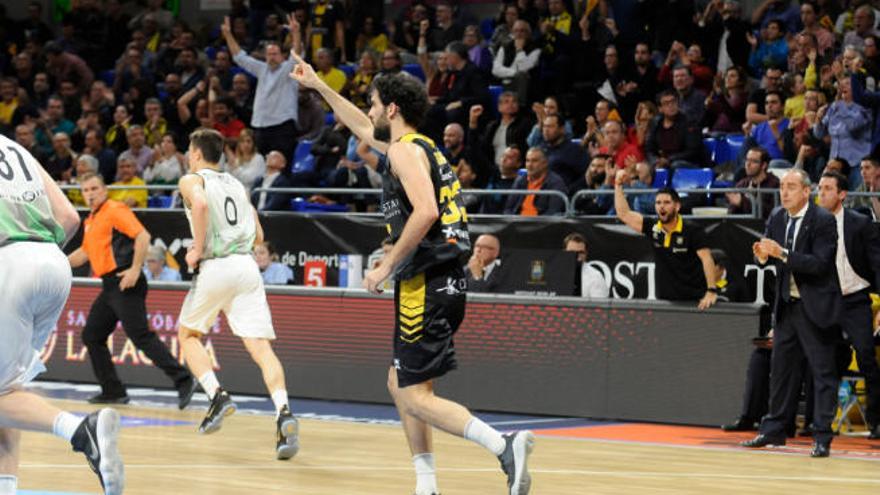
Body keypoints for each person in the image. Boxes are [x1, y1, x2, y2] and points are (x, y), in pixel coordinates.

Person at [290, 51, 535, 495]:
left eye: (373, 102)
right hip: (439, 280)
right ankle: (426, 483)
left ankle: (504, 445)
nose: (368, 111)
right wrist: (320, 87)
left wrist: (385, 264)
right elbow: (360, 127)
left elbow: (424, 213)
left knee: (414, 395)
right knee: (400, 382)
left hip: (427, 281)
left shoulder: (405, 152)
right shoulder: (419, 147)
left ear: (392, 108)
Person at [0, 134, 124, 495]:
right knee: (8, 391)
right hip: (53, 263)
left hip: (9, 264)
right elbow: (69, 218)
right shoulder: (15, 148)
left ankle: (80, 430)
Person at [176, 129, 299, 460]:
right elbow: (259, 235)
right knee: (260, 348)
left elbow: (200, 203)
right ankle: (284, 411)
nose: (189, 155)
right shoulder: (238, 185)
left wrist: (197, 249)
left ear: (198, 154)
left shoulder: (191, 180)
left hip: (216, 265)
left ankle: (216, 395)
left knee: (187, 335)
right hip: (246, 267)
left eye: (190, 150)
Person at [67, 172, 194, 405]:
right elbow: (84, 253)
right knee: (92, 335)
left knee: (140, 336)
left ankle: (184, 379)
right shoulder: (91, 220)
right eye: (85, 190)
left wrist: (136, 269)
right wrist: (58, 261)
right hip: (110, 285)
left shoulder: (114, 210)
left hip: (126, 280)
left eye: (94, 188)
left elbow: (143, 236)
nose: (90, 194)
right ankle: (113, 390)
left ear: (104, 190)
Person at [742, 169, 842, 458]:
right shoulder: (777, 216)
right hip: (787, 306)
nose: (784, 192)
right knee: (782, 371)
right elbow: (766, 254)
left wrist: (781, 254)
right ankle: (774, 431)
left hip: (817, 308)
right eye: (783, 186)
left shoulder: (823, 220)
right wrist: (761, 256)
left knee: (822, 373)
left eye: (792, 187)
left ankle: (822, 436)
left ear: (806, 191)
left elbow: (820, 264)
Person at [816, 171, 880, 439]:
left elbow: (877, 265)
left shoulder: (860, 224)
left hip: (855, 299)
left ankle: (876, 421)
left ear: (842, 194)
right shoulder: (811, 223)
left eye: (828, 188)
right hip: (826, 301)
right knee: (822, 362)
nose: (822, 193)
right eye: (819, 188)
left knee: (866, 356)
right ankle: (820, 422)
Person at [614, 169, 718, 309]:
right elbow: (623, 214)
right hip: (666, 300)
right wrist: (618, 185)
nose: (661, 206)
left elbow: (707, 259)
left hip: (694, 300)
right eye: (658, 203)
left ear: (677, 206)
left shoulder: (693, 230)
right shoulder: (653, 227)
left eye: (666, 202)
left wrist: (711, 291)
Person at [222, 15, 301, 162]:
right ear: (265, 56)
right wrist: (228, 34)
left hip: (283, 125)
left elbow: (297, 54)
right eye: (269, 54)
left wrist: (296, 33)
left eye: (275, 54)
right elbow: (239, 57)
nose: (272, 57)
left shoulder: (288, 68)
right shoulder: (261, 69)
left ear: (282, 56)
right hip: (261, 126)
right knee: (262, 165)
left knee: (282, 164)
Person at [504, 147, 568, 216]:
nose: (529, 165)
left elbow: (553, 213)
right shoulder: (520, 180)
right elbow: (508, 209)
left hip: (541, 224)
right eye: (527, 161)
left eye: (534, 161)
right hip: (516, 223)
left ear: (545, 163)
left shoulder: (556, 183)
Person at [727, 146, 780, 218]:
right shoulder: (742, 184)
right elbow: (731, 215)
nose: (748, 164)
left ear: (764, 165)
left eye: (754, 161)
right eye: (747, 160)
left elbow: (773, 214)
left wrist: (743, 202)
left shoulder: (774, 184)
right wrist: (735, 205)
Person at [563, 233, 609, 299]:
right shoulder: (553, 272)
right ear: (564, 252)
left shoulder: (595, 277)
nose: (576, 256)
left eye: (580, 253)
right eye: (572, 252)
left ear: (586, 254)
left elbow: (599, 307)